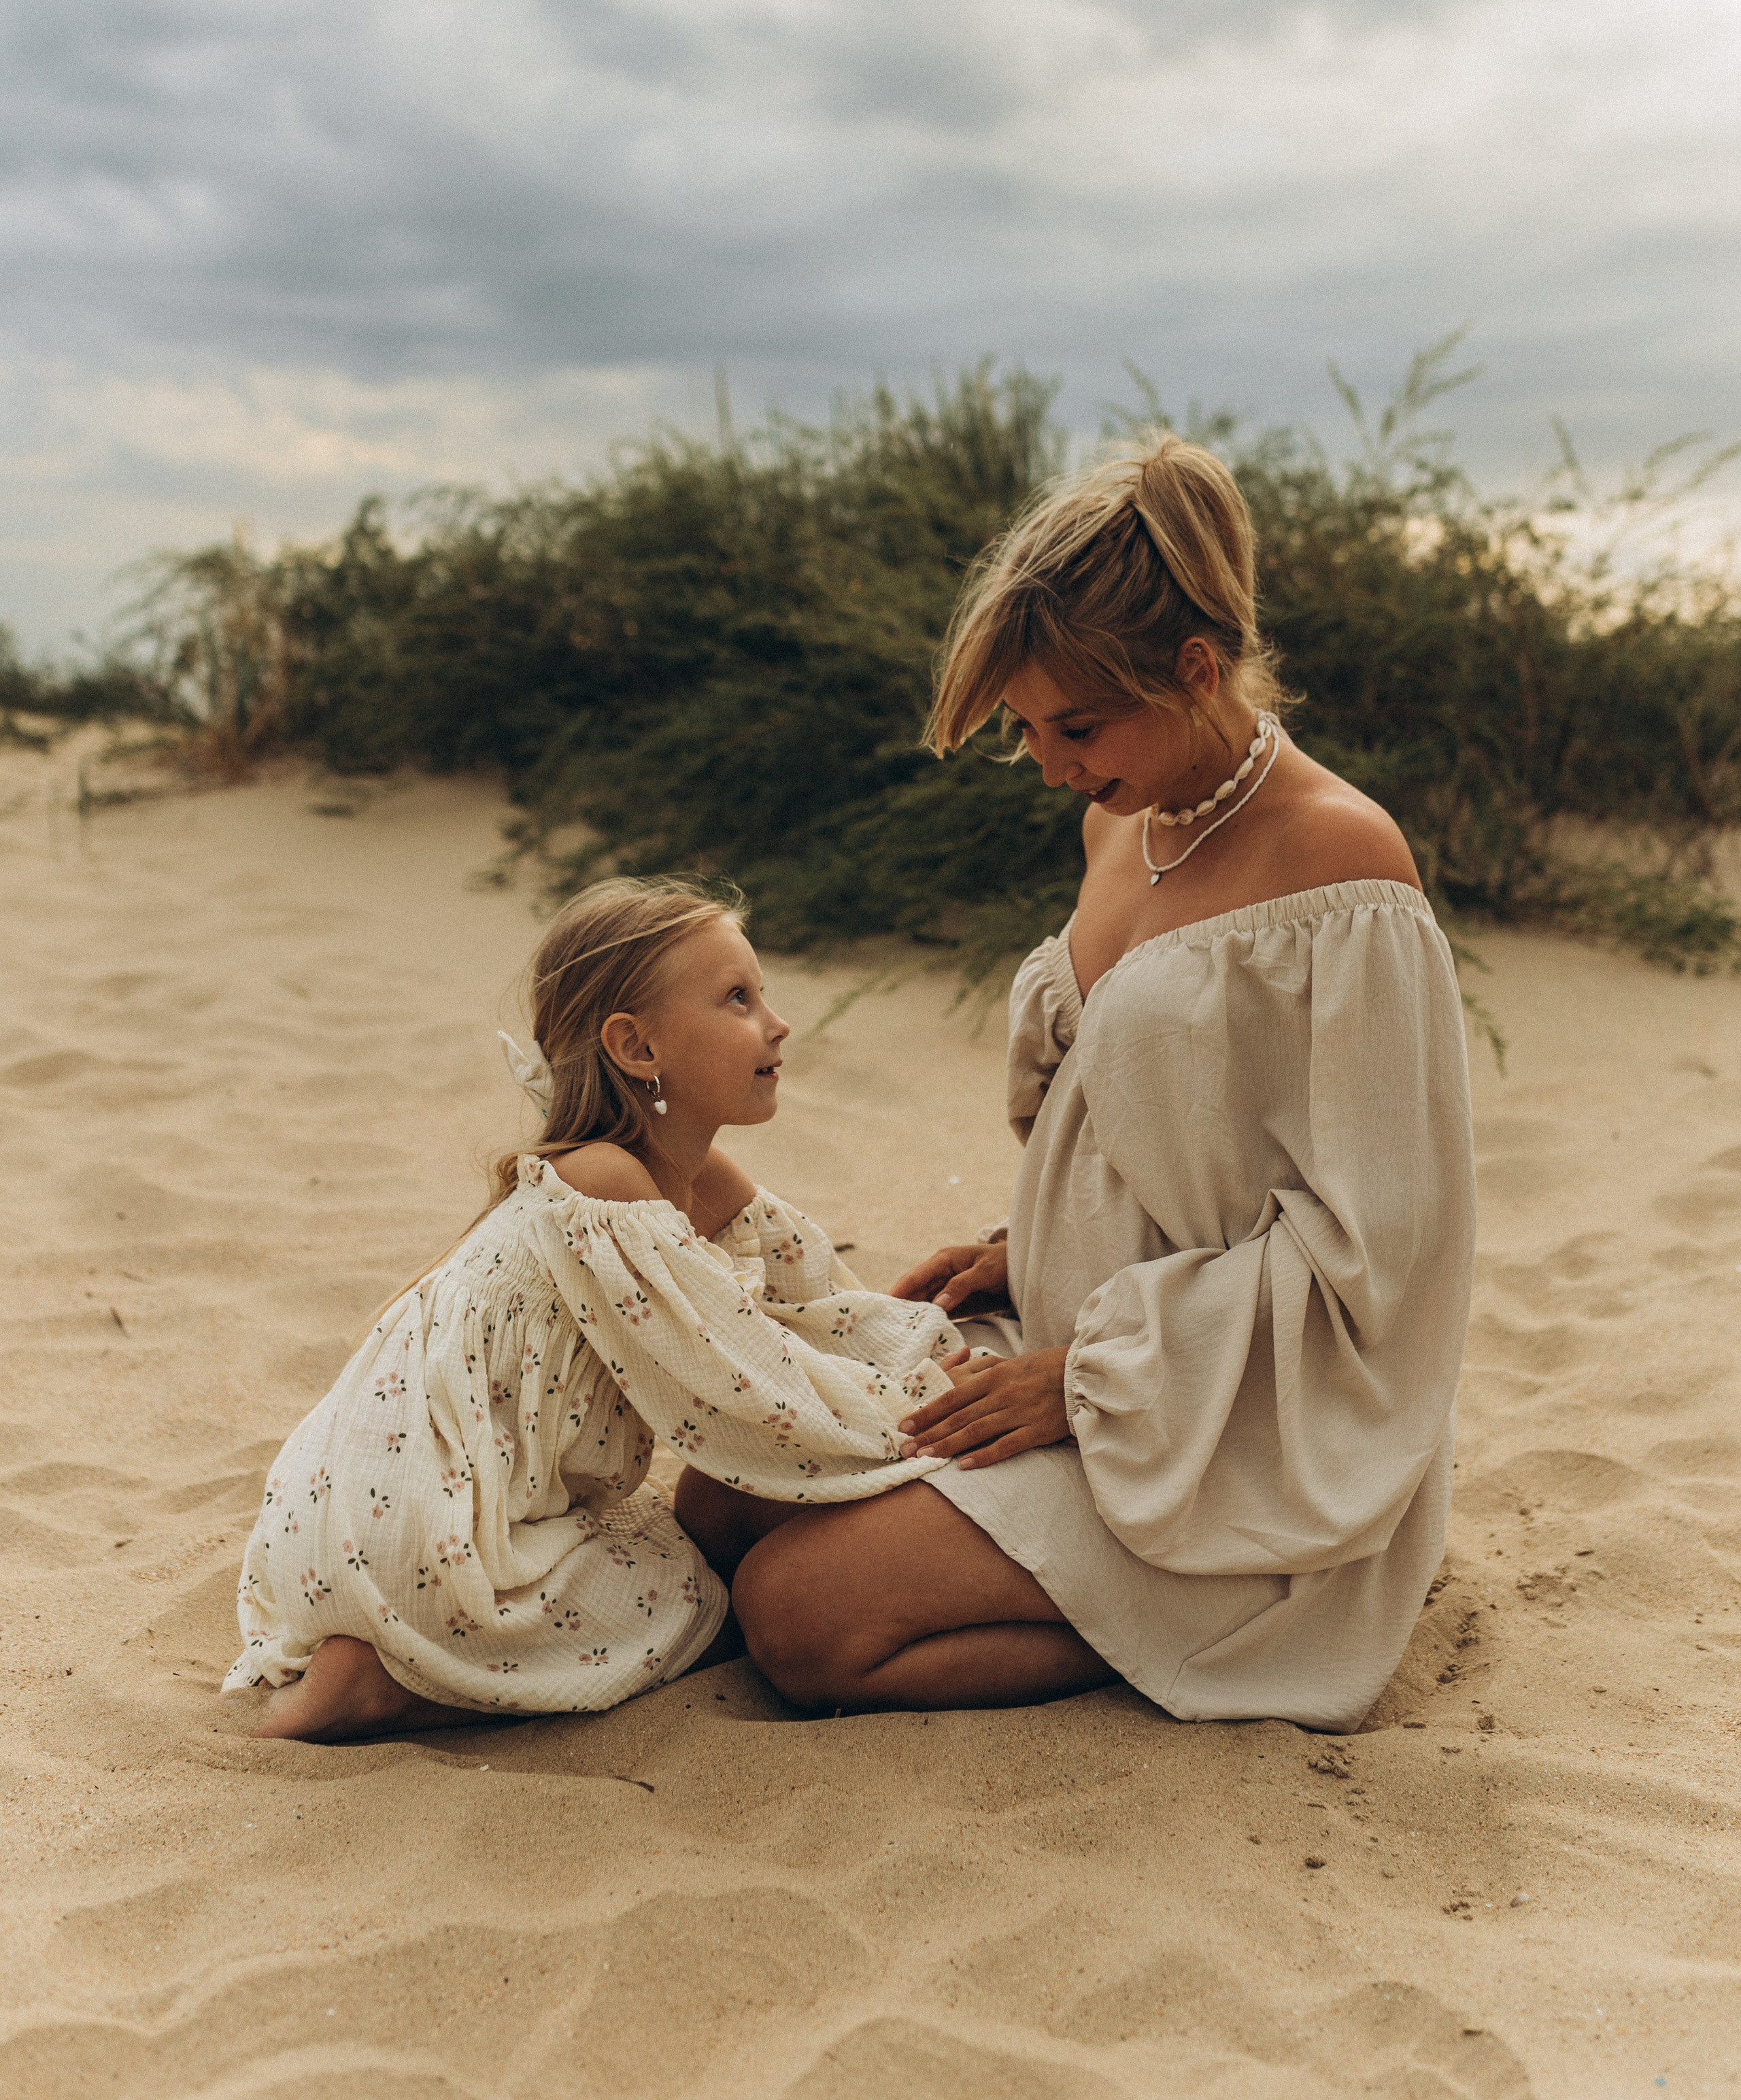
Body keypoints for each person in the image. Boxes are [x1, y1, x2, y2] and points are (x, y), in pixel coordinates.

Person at [681, 432, 1477, 1732]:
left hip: (1221, 1411)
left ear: (1198, 670)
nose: (1051, 762)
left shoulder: (1340, 861)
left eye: (1078, 724)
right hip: (1063, 1328)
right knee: (718, 1499)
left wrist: (1084, 1376)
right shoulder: (1120, 815)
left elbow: (1386, 1251)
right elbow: (1145, 1107)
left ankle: (1199, 1625)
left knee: (801, 1617)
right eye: (1027, 730)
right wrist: (1023, 1247)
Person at [224, 878, 965, 1741]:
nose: (776, 1022)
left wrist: (935, 1357)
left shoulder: (697, 1184)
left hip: (342, 1517)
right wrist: (924, 1417)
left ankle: (392, 1649)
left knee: (704, 1534)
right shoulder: (602, 1185)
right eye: (737, 999)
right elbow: (750, 1384)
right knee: (700, 1603)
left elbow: (821, 1307)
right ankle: (387, 1680)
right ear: (635, 1047)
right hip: (429, 1533)